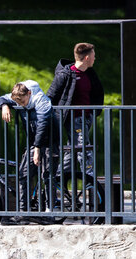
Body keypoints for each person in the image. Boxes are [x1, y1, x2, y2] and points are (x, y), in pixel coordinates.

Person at [47, 42, 104, 183]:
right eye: (93, 56)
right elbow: (50, 96)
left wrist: (93, 112)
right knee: (84, 149)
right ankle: (91, 183)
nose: (95, 58)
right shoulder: (65, 74)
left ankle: (56, 179)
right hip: (74, 118)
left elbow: (96, 93)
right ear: (86, 58)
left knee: (73, 152)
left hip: (86, 117)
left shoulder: (89, 73)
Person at [0, 80, 53, 221]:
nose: (21, 105)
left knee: (47, 176)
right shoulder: (20, 96)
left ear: (29, 93)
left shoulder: (41, 101)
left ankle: (49, 213)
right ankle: (23, 212)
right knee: (24, 174)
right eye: (18, 103)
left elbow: (43, 125)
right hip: (34, 143)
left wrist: (38, 148)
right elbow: (0, 98)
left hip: (49, 141)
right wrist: (4, 106)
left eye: (23, 102)